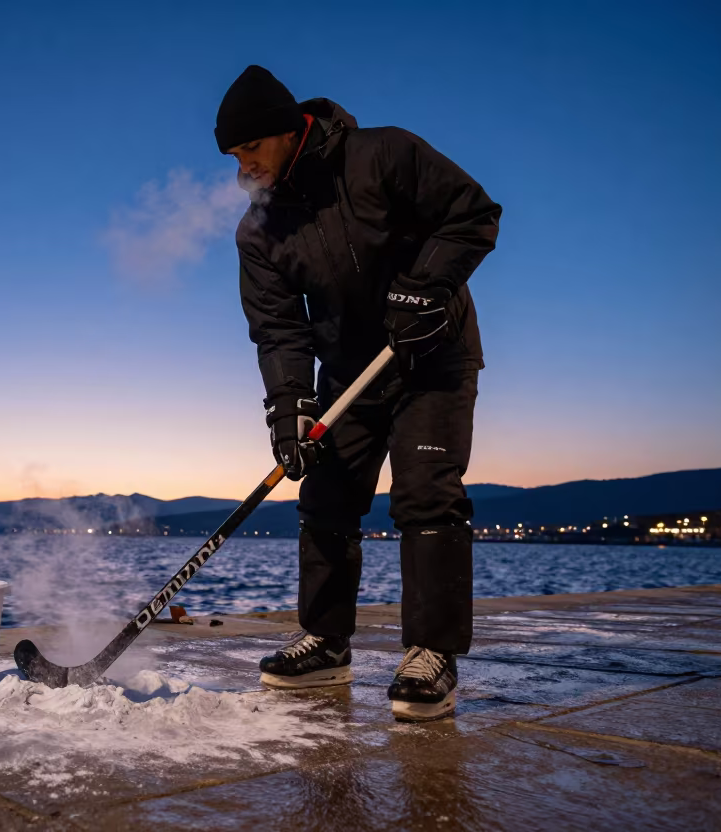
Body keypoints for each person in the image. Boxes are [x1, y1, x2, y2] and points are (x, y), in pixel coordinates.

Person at [216, 65, 501, 722]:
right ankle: (325, 641)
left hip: (432, 356)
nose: (244, 164)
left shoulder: (382, 154)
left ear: (287, 131)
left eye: (251, 147)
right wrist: (289, 407)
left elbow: (472, 213)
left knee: (426, 494)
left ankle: (431, 653)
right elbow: (278, 327)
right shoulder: (259, 229)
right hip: (348, 371)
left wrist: (423, 287)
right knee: (325, 498)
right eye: (233, 156)